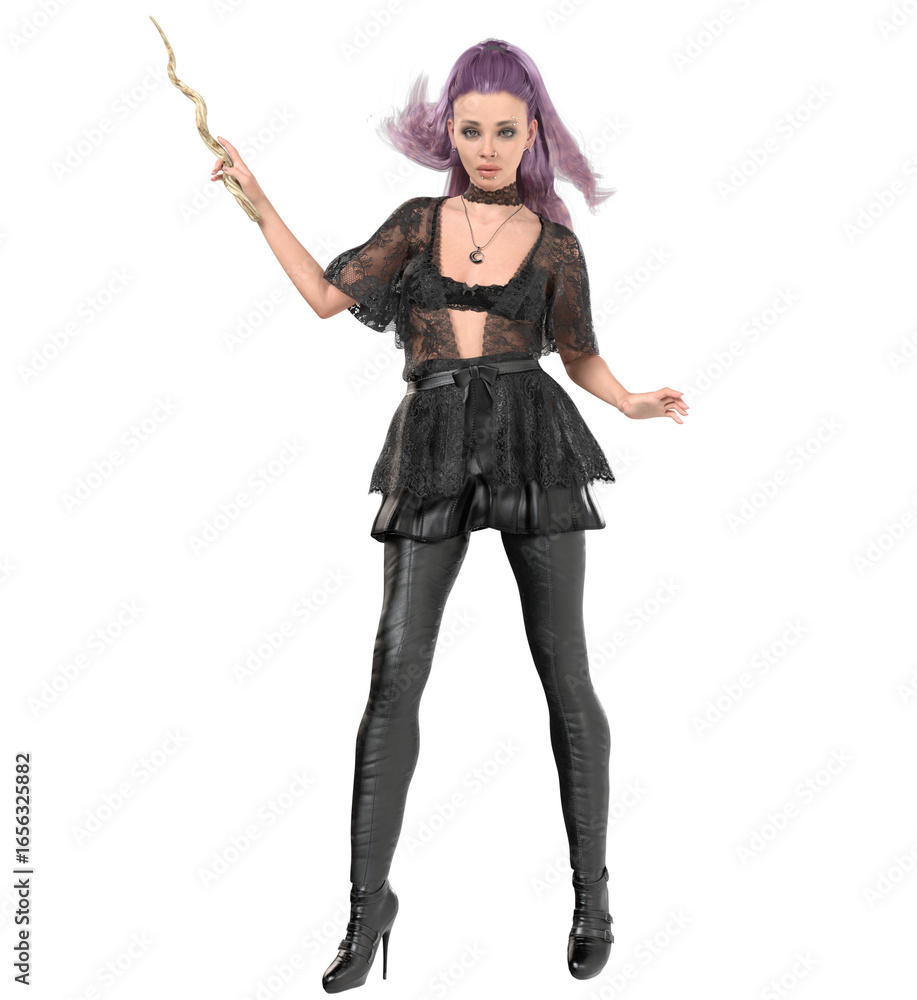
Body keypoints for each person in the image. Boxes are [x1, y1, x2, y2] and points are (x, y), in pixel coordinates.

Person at [210, 37, 687, 991]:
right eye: (471, 131)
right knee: (394, 675)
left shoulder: (556, 243)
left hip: (532, 435)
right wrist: (257, 200)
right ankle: (366, 908)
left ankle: (592, 895)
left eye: (505, 131)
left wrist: (631, 401)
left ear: (532, 133)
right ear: (450, 133)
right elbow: (325, 297)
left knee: (565, 671)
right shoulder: (417, 223)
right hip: (432, 439)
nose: (487, 148)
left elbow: (579, 354)